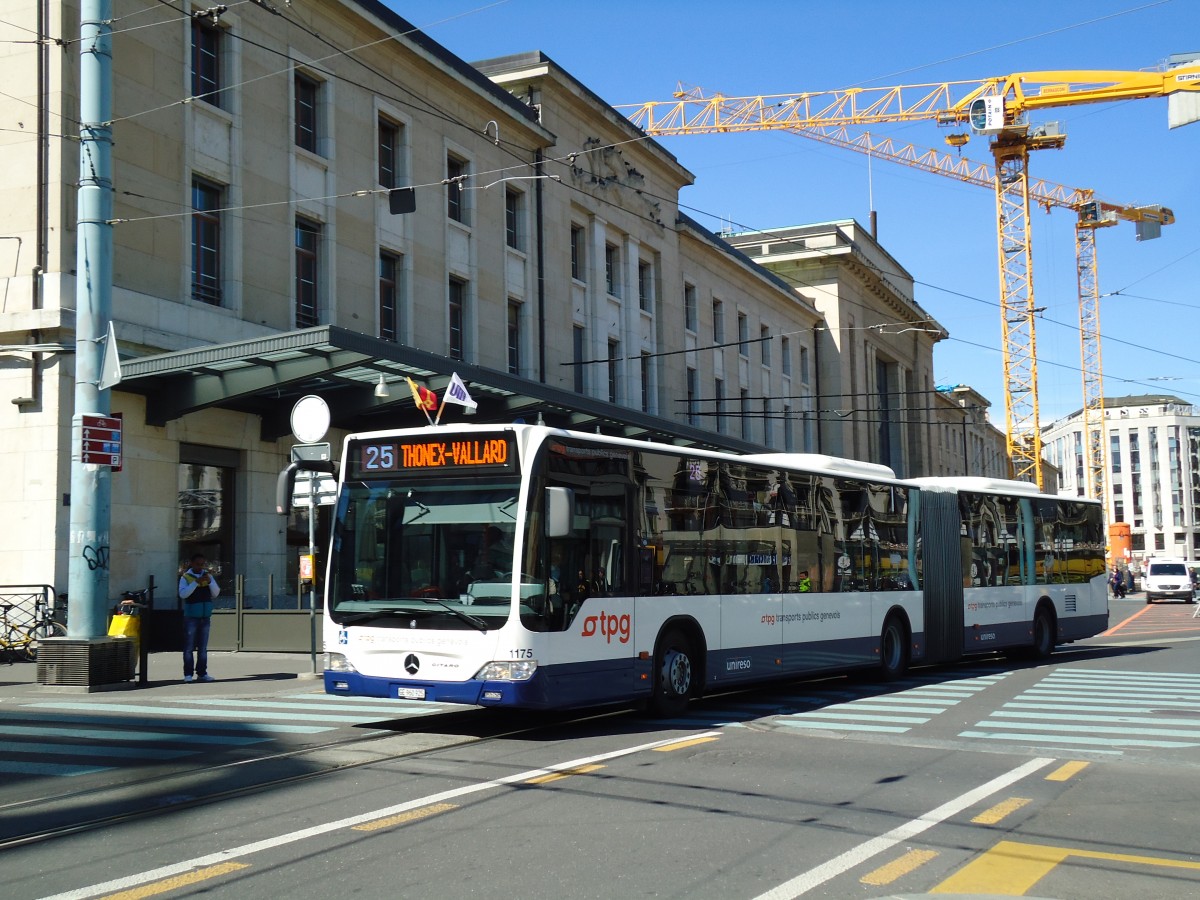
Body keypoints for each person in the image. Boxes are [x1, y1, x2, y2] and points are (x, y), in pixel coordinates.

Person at [179, 553, 220, 683]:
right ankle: (188, 674)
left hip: (205, 616)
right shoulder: (185, 577)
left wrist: (210, 582)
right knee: (189, 647)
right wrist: (196, 583)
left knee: (203, 648)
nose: (200, 567)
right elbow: (183, 594)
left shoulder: (208, 576)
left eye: (202, 564)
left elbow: (216, 593)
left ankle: (202, 673)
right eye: (198, 564)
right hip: (191, 617)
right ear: (192, 563)